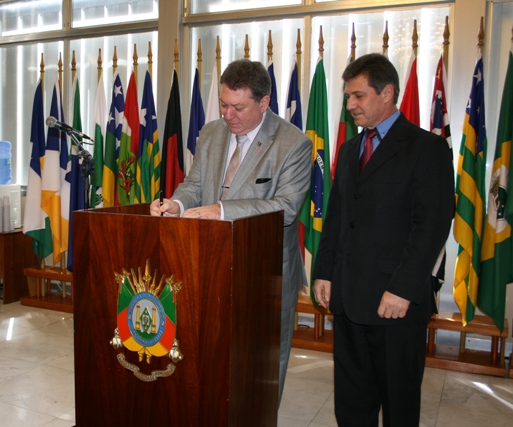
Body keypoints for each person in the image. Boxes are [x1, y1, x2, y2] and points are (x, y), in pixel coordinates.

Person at [150, 59, 312, 403]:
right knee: (209, 351)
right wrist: (176, 205)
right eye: (223, 104)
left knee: (262, 361)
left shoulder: (293, 143)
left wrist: (221, 211)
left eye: (238, 107)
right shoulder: (211, 132)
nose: (228, 114)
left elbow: (286, 206)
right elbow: (194, 183)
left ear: (264, 103)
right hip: (209, 264)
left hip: (265, 273)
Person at [312, 53, 454, 426]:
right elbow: (337, 218)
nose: (350, 105)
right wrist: (324, 271)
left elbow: (432, 226)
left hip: (396, 304)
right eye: (348, 97)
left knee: (398, 404)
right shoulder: (348, 150)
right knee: (353, 403)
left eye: (358, 96)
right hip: (348, 299)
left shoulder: (427, 149)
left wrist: (404, 289)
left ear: (388, 92)